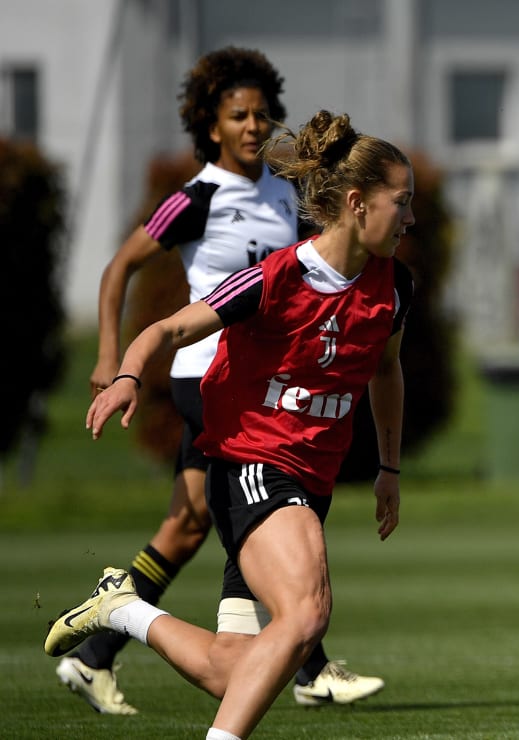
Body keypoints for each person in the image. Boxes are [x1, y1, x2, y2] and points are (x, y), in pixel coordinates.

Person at [45, 109, 414, 740]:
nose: (411, 218)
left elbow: (385, 372)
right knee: (306, 614)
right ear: (357, 203)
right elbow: (166, 329)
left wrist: (388, 468)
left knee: (233, 668)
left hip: (308, 486)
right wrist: (129, 373)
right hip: (254, 469)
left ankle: (122, 609)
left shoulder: (394, 287)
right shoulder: (279, 279)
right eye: (402, 202)